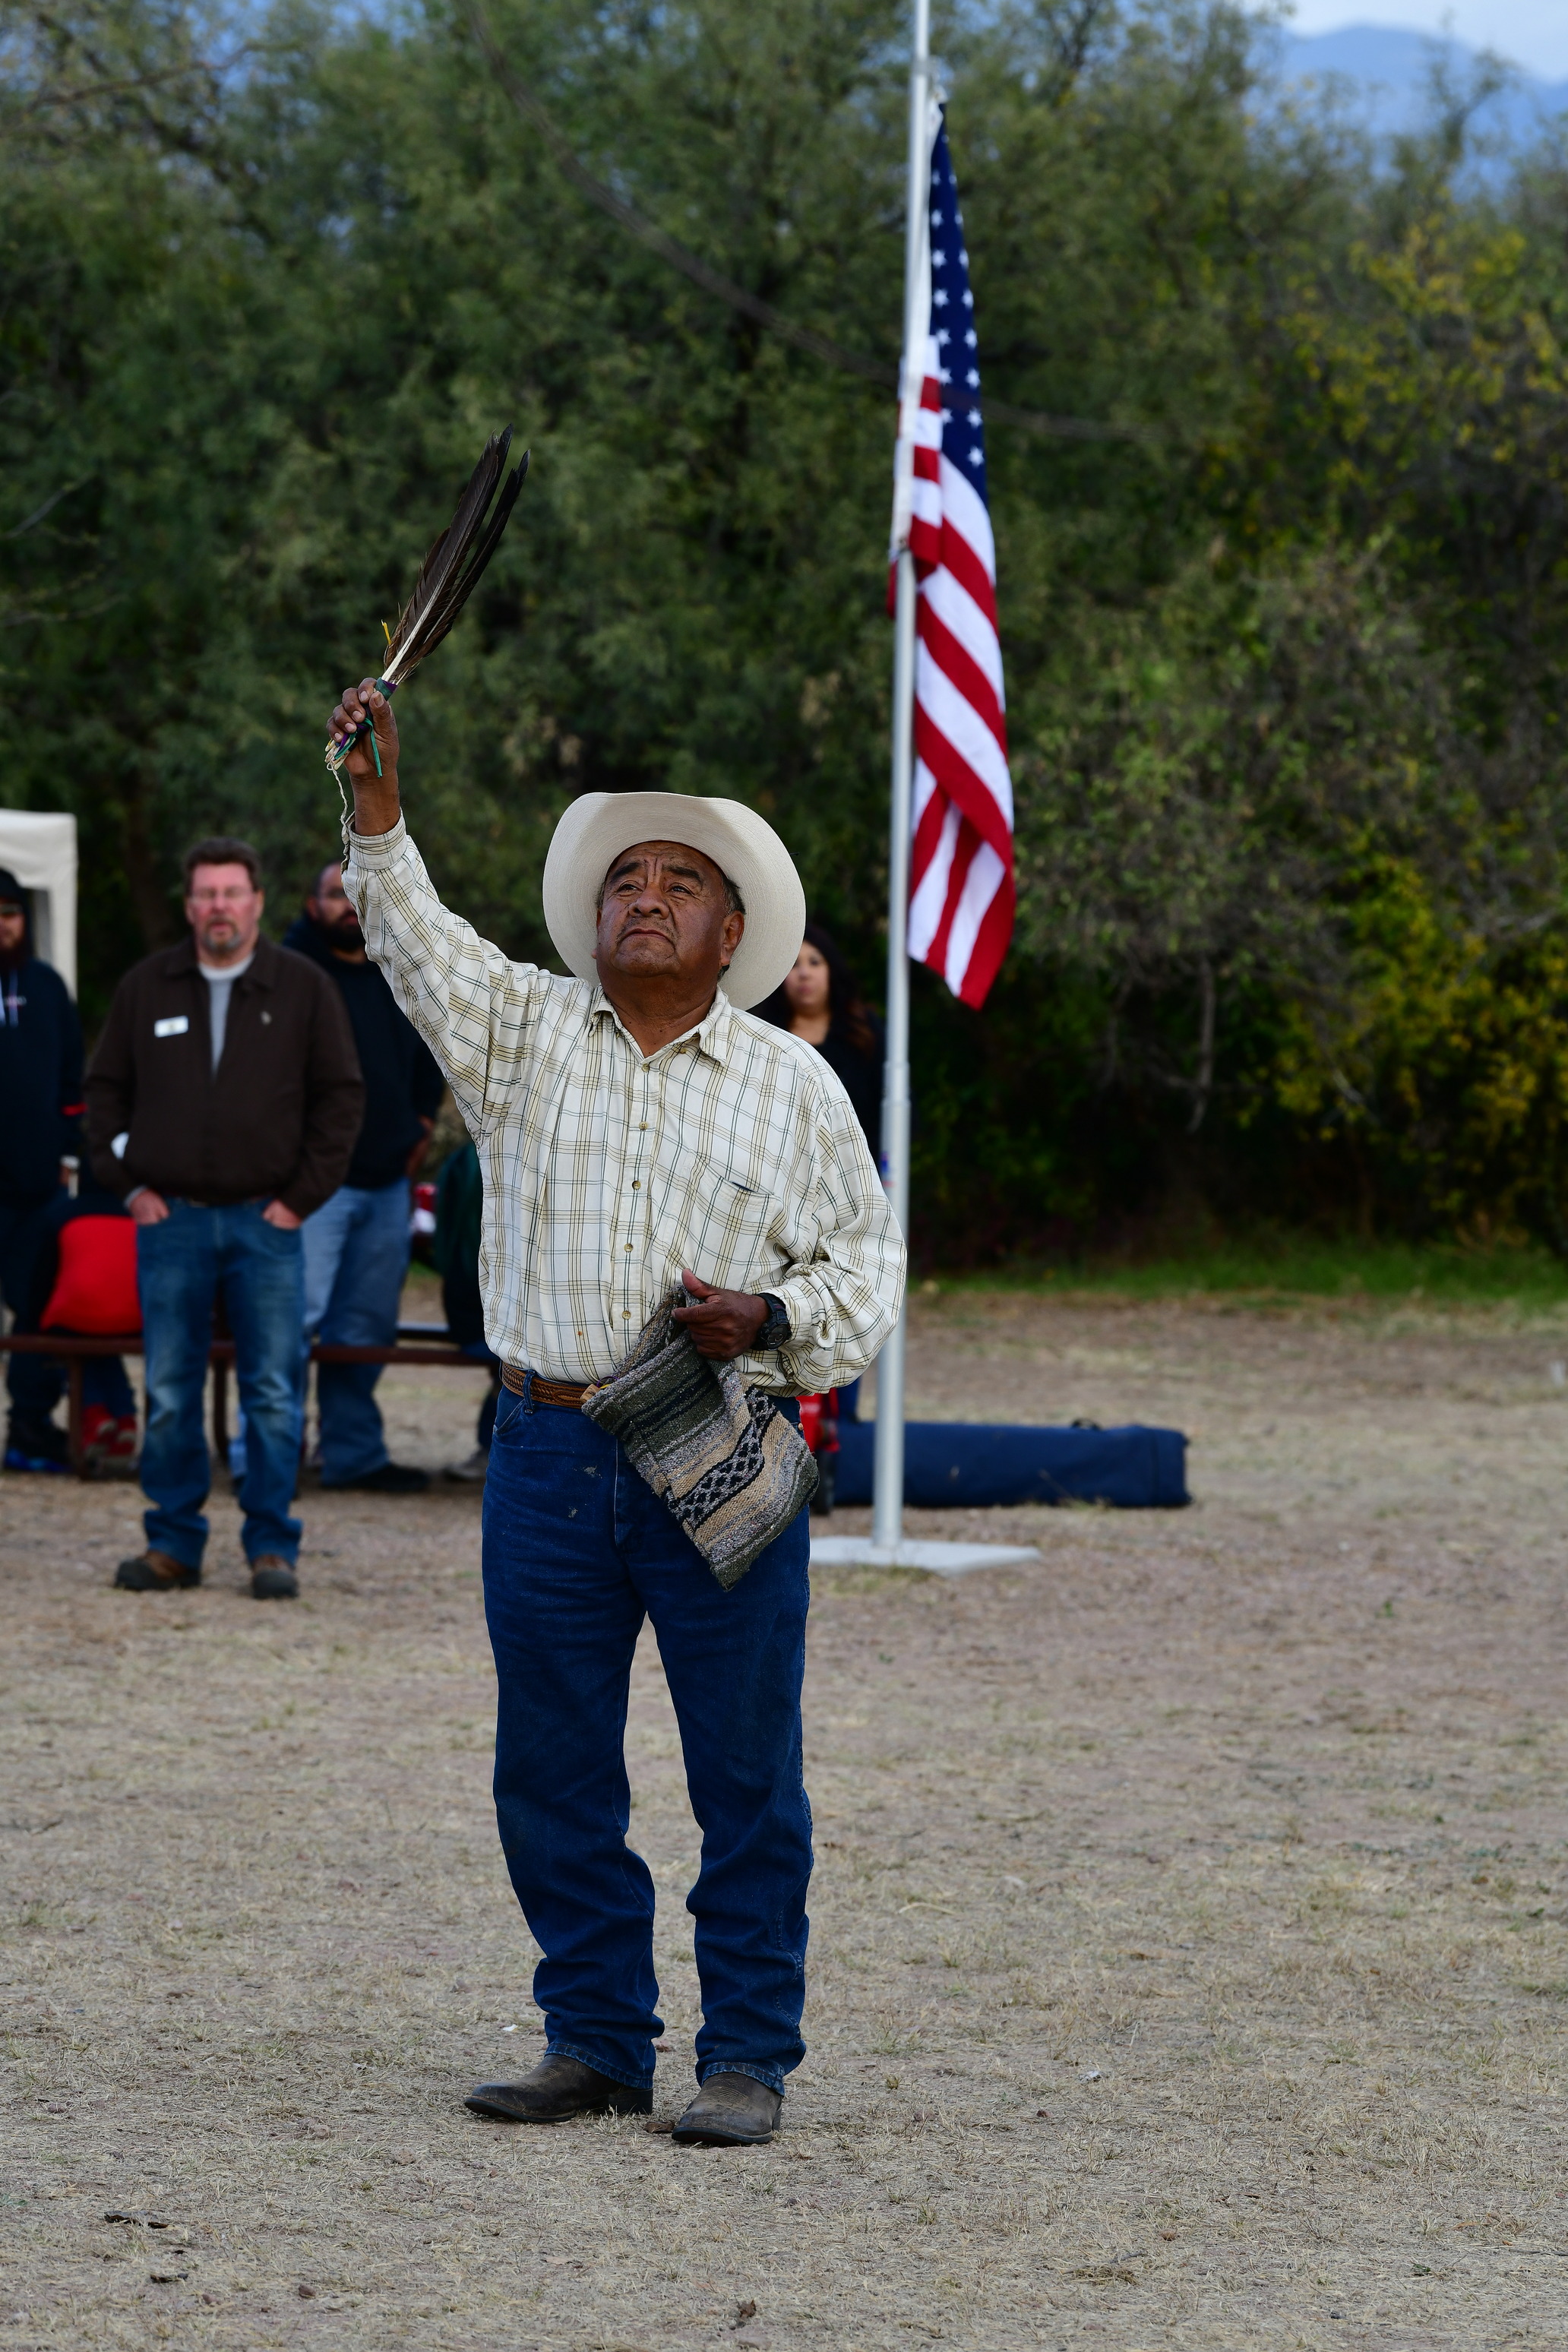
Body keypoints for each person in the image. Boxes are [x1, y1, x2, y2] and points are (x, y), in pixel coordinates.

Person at [329, 676, 905, 2147]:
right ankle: (594, 2039)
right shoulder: (524, 1033)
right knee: (553, 1764)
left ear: (733, 935)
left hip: (711, 1443)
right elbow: (412, 941)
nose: (644, 900)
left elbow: (869, 1272)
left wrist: (769, 1321)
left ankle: (748, 2058)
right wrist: (378, 808)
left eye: (681, 885)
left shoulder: (794, 1087)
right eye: (625, 882)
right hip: (544, 1452)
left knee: (744, 1773)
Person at [86, 836, 364, 1599]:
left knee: (273, 1391)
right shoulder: (148, 988)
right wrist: (127, 1182)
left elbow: (340, 1099)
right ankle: (173, 1543)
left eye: (231, 893)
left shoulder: (301, 988)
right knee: (170, 1391)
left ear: (257, 902)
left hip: (265, 1226)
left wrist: (300, 1199)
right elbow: (102, 1092)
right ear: (189, 906)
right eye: (205, 894)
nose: (218, 907)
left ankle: (272, 1548)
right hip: (169, 1223)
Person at [283, 861, 444, 1494]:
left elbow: (432, 1051)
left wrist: (423, 1125)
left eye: (355, 894)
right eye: (333, 894)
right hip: (308, 1189)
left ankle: (352, 1453)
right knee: (291, 1323)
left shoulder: (395, 970)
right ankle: (268, 1457)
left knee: (364, 1329)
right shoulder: (289, 975)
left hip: (385, 1185)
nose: (346, 905)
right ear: (309, 903)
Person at [0, 866, 136, 1472]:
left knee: (38, 1308)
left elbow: (71, 1080)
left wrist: (63, 1159)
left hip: (37, 1189)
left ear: (23, 920)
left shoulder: (47, 986)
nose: (1, 926)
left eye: (9, 914)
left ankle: (30, 1427)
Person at [757, 922, 883, 1157]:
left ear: (830, 970)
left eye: (814, 962)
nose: (804, 973)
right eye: (794, 965)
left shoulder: (863, 1029)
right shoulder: (766, 1037)